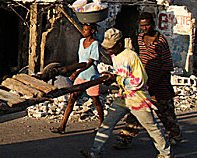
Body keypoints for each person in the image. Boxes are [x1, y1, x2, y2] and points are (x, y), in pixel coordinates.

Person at [80, 28, 171, 158]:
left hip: (137, 98)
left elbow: (140, 80)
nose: (108, 51)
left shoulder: (131, 56)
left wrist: (117, 79)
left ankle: (165, 154)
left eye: (111, 48)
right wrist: (111, 77)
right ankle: (95, 151)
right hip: (123, 97)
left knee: (152, 128)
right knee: (107, 125)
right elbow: (120, 75)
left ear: (119, 45)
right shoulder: (114, 56)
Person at [115, 12, 182, 149]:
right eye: (142, 26)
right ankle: (125, 138)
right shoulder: (139, 38)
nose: (145, 28)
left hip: (160, 84)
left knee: (166, 115)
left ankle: (174, 136)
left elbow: (167, 67)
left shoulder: (161, 41)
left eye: (147, 25)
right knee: (136, 111)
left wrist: (153, 82)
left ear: (153, 24)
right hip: (144, 83)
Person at [50, 24, 104, 134]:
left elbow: (89, 62)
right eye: (83, 30)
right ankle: (62, 126)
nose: (84, 32)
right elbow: (80, 60)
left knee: (96, 101)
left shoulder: (95, 44)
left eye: (86, 30)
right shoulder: (81, 41)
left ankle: (102, 125)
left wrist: (76, 72)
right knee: (72, 99)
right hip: (81, 76)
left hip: (91, 76)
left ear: (92, 31)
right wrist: (76, 71)